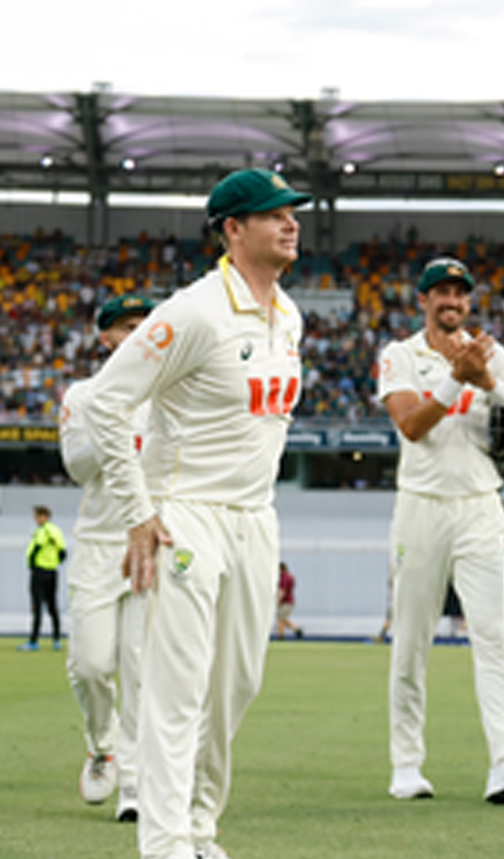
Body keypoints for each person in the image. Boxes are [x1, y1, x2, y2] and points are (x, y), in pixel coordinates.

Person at [82, 167, 311, 859]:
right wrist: (138, 510)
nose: (290, 222)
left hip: (255, 517)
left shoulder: (289, 314)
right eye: (273, 214)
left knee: (235, 685)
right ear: (233, 229)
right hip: (188, 516)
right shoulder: (194, 310)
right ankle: (164, 841)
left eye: (292, 211)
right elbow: (102, 401)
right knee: (177, 686)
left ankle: (201, 828)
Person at [378, 255, 504, 804]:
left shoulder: (491, 353)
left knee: (492, 638)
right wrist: (458, 382)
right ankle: (406, 764)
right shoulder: (400, 355)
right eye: (442, 293)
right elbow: (411, 425)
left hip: (480, 507)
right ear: (424, 301)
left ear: (468, 303)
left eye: (460, 294)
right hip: (422, 507)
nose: (452, 302)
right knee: (410, 642)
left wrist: (490, 383)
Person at [58, 293, 155, 821]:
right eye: (126, 327)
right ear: (106, 338)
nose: (137, 334)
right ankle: (103, 745)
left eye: (145, 325)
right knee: (92, 665)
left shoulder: (169, 393)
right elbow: (77, 466)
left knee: (140, 667)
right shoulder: (84, 394)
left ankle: (136, 785)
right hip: (99, 545)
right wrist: (112, 415)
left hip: (150, 542)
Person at [22, 505, 67, 652]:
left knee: (37, 606)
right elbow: (63, 553)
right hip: (52, 572)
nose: (35, 519)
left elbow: (36, 548)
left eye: (37, 516)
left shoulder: (43, 531)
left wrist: (32, 564)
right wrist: (53, 563)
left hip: (40, 572)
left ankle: (33, 641)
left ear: (43, 516)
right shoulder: (57, 531)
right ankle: (56, 640)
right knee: (52, 605)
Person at [274, 562, 301, 640]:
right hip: (291, 601)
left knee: (280, 619)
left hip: (285, 602)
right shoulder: (291, 577)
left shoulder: (283, 578)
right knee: (283, 618)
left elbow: (283, 590)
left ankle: (281, 636)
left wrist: (278, 600)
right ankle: (297, 630)